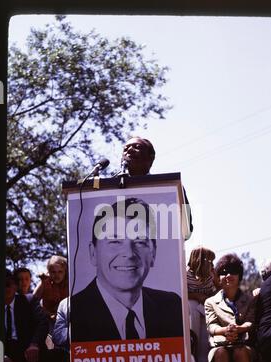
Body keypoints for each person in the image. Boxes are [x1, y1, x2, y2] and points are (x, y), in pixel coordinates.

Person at [53, 197, 183, 345]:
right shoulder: (75, 310)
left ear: (153, 253)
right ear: (93, 253)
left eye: (140, 241)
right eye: (115, 241)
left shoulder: (171, 307)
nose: (128, 253)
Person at [204, 253, 256, 362]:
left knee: (240, 352)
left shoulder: (249, 300)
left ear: (239, 275)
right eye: (223, 272)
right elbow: (211, 326)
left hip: (243, 345)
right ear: (218, 277)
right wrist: (225, 331)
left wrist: (239, 329)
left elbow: (251, 322)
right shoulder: (210, 302)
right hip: (220, 346)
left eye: (232, 271)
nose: (228, 276)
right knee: (220, 353)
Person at [114, 136, 193, 238]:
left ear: (150, 158)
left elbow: (187, 229)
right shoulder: (110, 190)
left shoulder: (170, 188)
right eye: (125, 149)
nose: (129, 150)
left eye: (137, 147)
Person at [33, 255, 69, 331]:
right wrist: (42, 282)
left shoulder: (70, 282)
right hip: (47, 321)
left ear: (65, 271)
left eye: (60, 272)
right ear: (49, 272)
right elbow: (33, 300)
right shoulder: (45, 281)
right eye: (53, 272)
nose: (57, 275)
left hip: (67, 320)